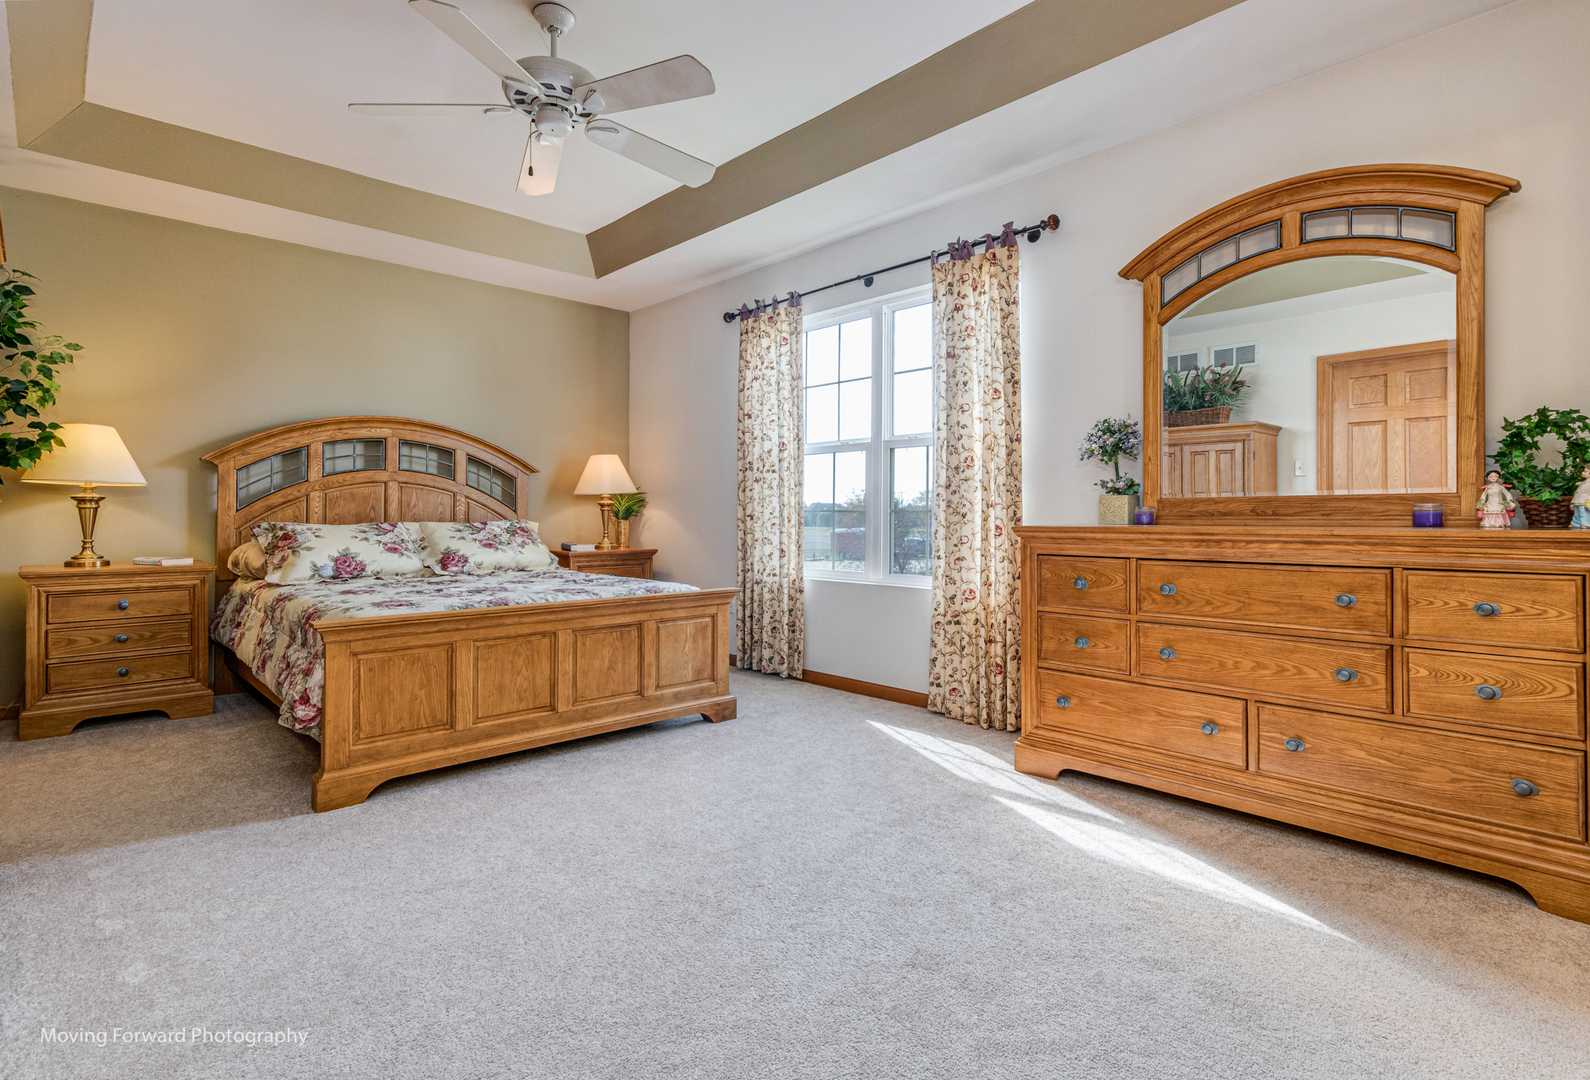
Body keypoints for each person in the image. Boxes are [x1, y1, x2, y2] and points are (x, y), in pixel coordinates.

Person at [1571, 465, 1590, 530]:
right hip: (1579, 499)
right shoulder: (1585, 482)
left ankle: (1586, 523)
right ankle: (1576, 523)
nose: (1583, 473)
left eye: (1585, 472)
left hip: (1585, 500)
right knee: (1577, 512)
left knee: (1583, 512)